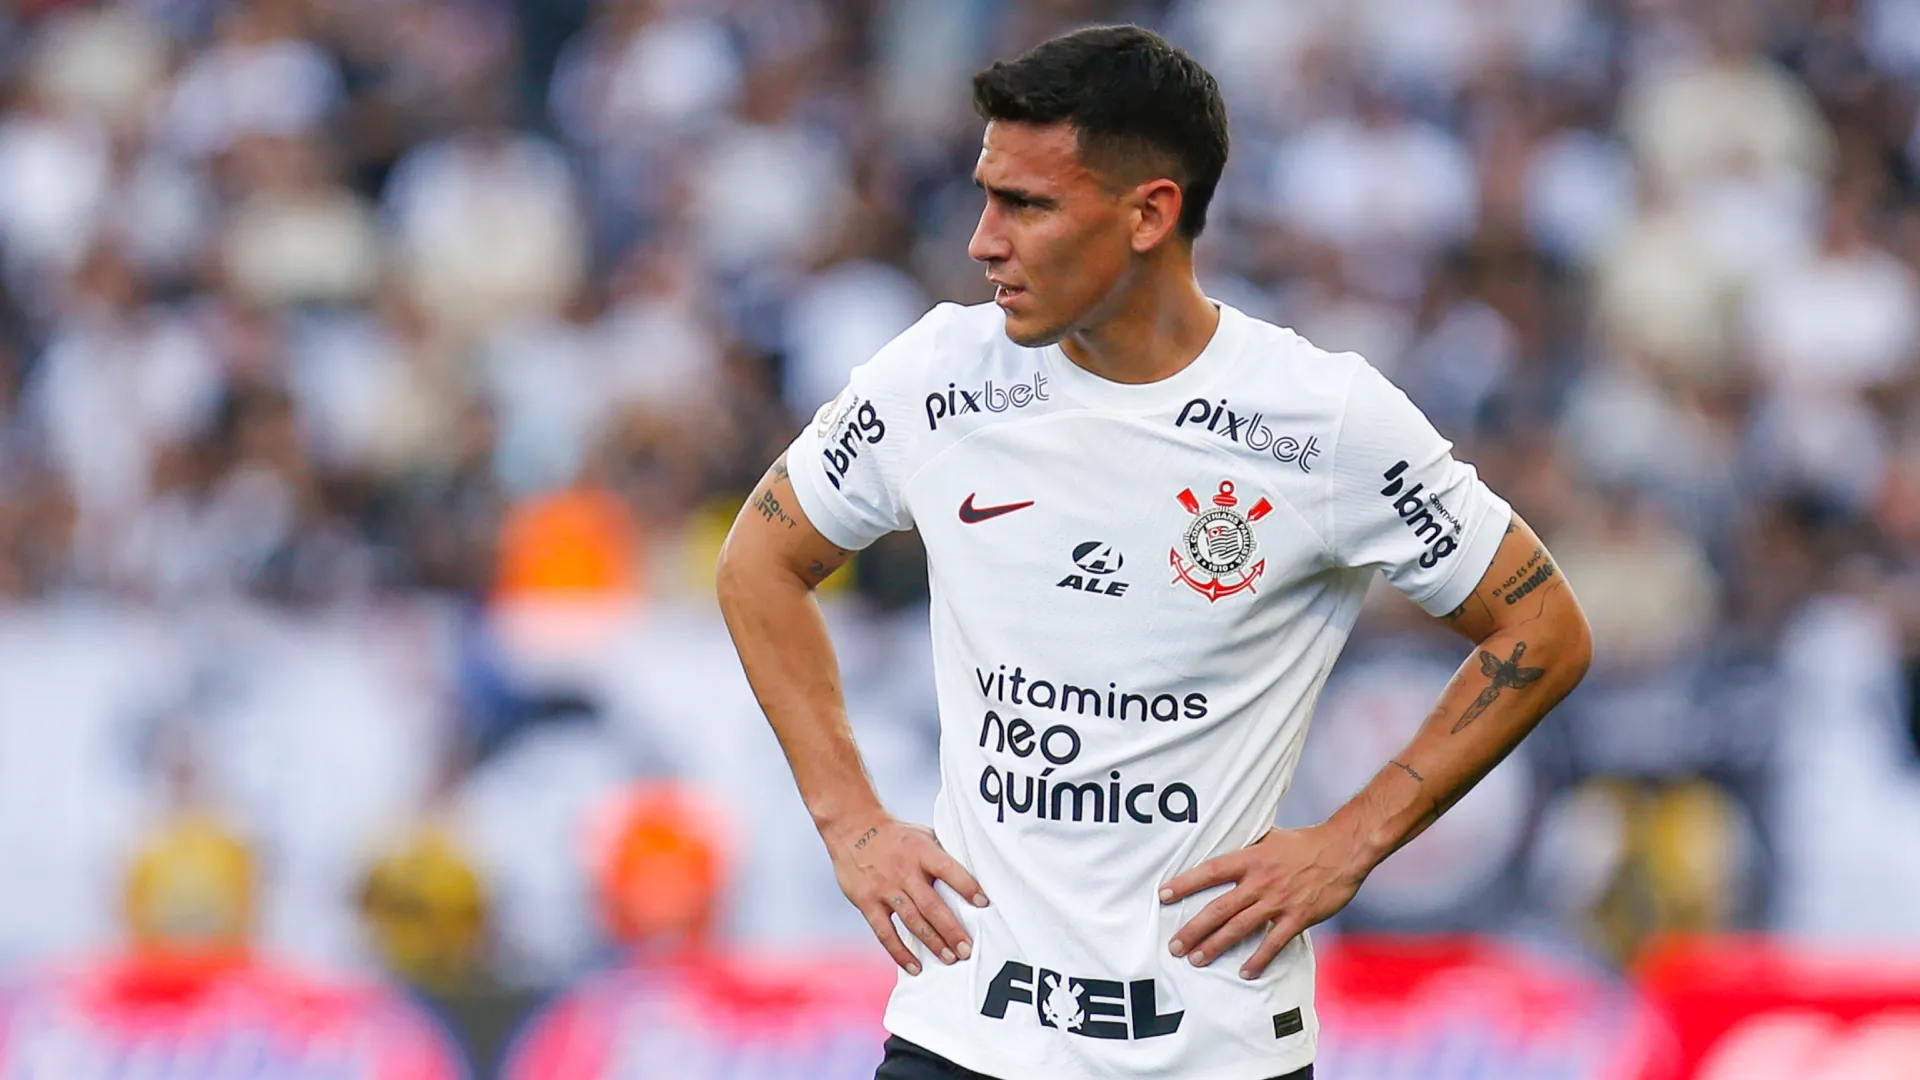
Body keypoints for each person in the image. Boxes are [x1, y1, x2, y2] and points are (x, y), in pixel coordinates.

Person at [716, 24, 1592, 1080]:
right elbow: (757, 563)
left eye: (1026, 205)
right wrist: (849, 819)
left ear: (1150, 213)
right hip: (963, 1034)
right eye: (986, 194)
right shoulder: (937, 380)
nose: (983, 240)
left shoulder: (1319, 422)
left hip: (1213, 1050)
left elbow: (1545, 624)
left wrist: (1353, 837)